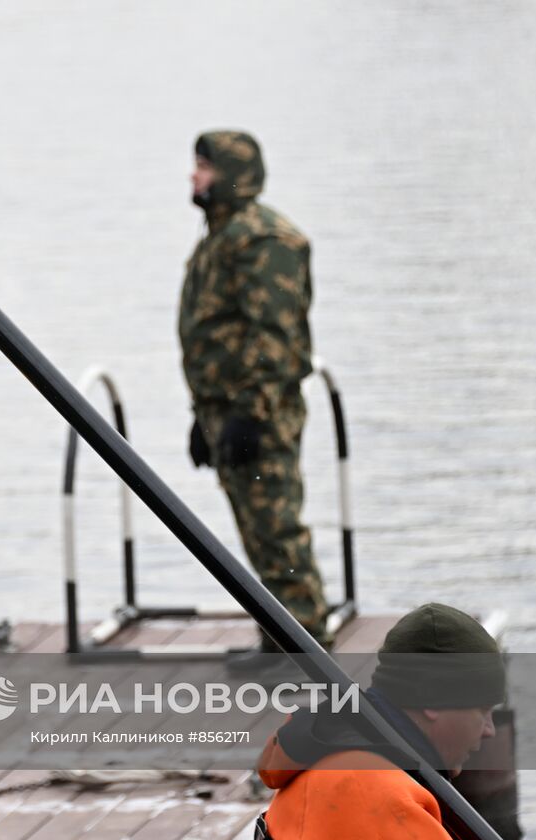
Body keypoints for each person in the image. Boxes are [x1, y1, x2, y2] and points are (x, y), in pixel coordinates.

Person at [177, 130, 329, 657]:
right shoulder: (223, 237)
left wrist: (251, 412)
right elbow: (217, 329)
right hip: (227, 410)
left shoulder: (265, 240)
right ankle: (278, 637)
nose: (194, 176)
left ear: (233, 174)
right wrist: (205, 415)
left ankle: (307, 643)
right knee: (255, 530)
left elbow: (275, 335)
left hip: (258, 414)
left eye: (205, 167)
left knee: (277, 528)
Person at [247, 603, 507, 840]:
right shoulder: (376, 792)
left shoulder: (332, 748)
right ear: (434, 700)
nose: (489, 729)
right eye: (483, 710)